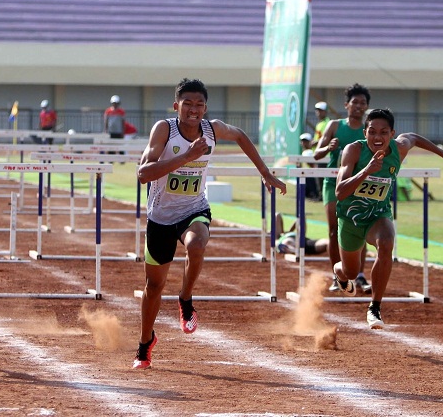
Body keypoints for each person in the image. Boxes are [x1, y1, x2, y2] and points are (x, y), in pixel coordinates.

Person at [132, 78, 287, 369]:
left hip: (194, 208)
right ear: (177, 105)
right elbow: (143, 174)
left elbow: (240, 135)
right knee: (154, 286)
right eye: (187, 103)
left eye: (199, 104)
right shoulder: (164, 129)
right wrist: (188, 156)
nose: (194, 109)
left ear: (205, 107)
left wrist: (265, 172)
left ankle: (186, 298)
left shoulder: (211, 129)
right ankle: (144, 343)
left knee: (197, 243)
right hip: (161, 217)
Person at [333, 108, 443, 328]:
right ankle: (339, 273)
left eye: (384, 132)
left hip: (378, 214)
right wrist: (366, 171)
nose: (378, 137)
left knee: (386, 241)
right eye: (372, 132)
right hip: (350, 218)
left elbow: (413, 137)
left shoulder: (399, 148)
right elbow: (340, 192)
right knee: (350, 271)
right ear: (364, 133)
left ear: (392, 134)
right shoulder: (353, 151)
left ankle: (374, 307)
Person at [314, 84, 371, 294]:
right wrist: (328, 148)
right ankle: (336, 275)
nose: (358, 106)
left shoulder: (368, 130)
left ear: (366, 107)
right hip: (333, 183)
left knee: (360, 229)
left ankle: (360, 275)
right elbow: (316, 154)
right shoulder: (335, 126)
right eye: (354, 102)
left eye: (362, 103)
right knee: (333, 229)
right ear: (346, 105)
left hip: (358, 185)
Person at [299, 132, 321, 200]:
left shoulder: (310, 152)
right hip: (305, 175)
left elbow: (311, 164)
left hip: (311, 176)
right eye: (303, 141)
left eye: (306, 141)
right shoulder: (305, 152)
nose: (304, 143)